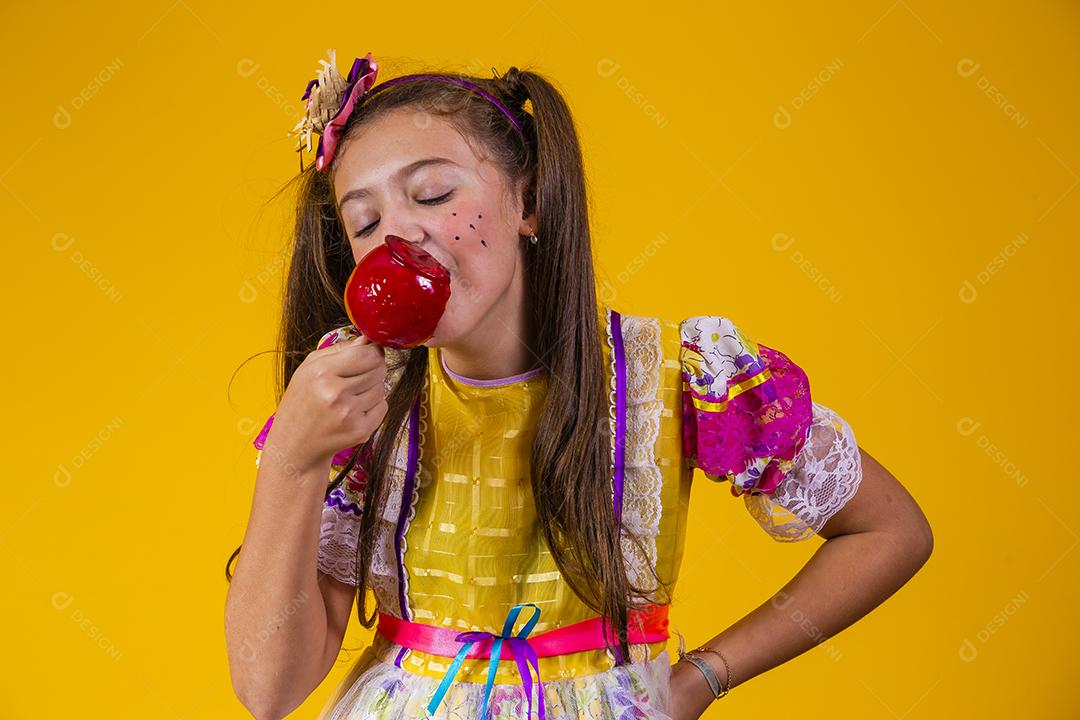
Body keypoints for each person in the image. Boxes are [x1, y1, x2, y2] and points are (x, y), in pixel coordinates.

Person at [223, 50, 934, 720]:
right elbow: (267, 692)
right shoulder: (358, 406)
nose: (398, 237)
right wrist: (295, 456)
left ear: (527, 203)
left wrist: (703, 677)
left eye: (433, 193)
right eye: (366, 221)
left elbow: (888, 532)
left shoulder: (680, 376)